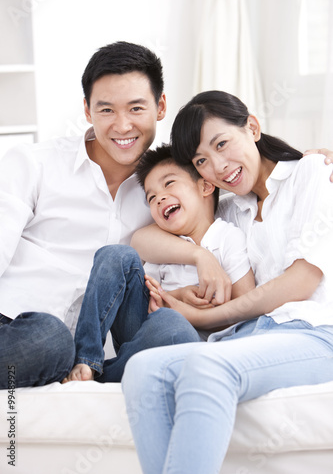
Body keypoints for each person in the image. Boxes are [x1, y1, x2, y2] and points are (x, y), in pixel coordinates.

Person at [122, 90, 333, 474]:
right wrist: (199, 255)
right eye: (202, 160)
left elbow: (301, 281)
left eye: (222, 144)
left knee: (208, 366)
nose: (218, 167)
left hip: (318, 332)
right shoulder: (232, 207)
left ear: (252, 126)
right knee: (143, 371)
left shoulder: (313, 173)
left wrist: (200, 318)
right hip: (256, 335)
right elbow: (141, 239)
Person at [0, 41, 205, 390]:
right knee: (50, 337)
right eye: (106, 110)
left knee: (174, 333)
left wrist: (306, 165)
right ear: (87, 110)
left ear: (161, 106)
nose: (122, 126)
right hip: (15, 329)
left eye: (136, 108)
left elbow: (238, 180)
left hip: (95, 352)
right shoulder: (33, 164)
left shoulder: (169, 189)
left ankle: (93, 372)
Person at [64, 144, 255, 383]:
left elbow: (247, 309)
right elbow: (149, 301)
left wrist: (191, 310)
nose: (159, 198)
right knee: (115, 254)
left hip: (191, 343)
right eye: (151, 197)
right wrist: (177, 296)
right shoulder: (163, 244)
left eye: (169, 183)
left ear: (205, 186)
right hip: (142, 333)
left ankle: (110, 375)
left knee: (172, 324)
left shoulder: (227, 237)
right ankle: (86, 360)